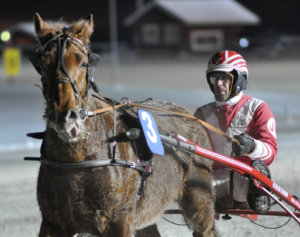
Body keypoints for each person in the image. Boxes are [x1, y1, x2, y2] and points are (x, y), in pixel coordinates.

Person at [194, 50, 277, 213]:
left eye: (224, 78)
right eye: (214, 78)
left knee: (249, 173)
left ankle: (257, 194)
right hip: (212, 181)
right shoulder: (201, 114)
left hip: (245, 181)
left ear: (240, 79)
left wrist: (252, 147)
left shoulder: (257, 108)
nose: (218, 83)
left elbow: (271, 151)